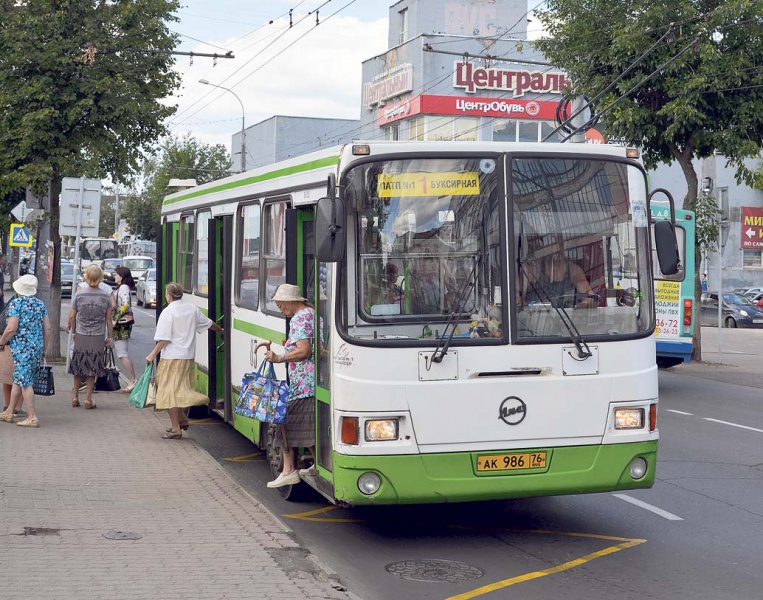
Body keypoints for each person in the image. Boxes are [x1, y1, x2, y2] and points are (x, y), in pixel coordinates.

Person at [145, 282, 224, 439]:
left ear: (168, 296)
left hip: (171, 358)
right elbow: (208, 323)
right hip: (187, 357)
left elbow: (164, 339)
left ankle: (176, 428)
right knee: (179, 390)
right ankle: (181, 420)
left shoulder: (168, 313)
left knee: (168, 393)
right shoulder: (192, 309)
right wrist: (221, 330)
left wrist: (152, 354)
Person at [264, 283, 316, 489]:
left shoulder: (299, 319)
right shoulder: (312, 314)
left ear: (291, 301)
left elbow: (305, 351)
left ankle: (289, 471)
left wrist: (279, 357)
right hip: (310, 382)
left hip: (303, 384)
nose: (279, 308)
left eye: (280, 304)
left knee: (283, 421)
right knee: (307, 430)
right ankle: (318, 465)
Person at [0, 275, 51, 427]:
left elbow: (11, 328)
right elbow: (47, 328)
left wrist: (1, 341)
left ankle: (32, 416)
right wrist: (44, 349)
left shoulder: (16, 304)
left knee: (26, 383)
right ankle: (9, 411)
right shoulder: (40, 304)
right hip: (36, 347)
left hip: (21, 349)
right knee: (19, 378)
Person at [67, 265, 114, 409]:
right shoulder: (105, 297)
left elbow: (73, 316)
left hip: (81, 334)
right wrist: (110, 337)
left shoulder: (79, 295)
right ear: (100, 278)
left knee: (78, 366)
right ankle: (88, 398)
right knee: (93, 367)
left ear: (86, 277)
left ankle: (75, 397)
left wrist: (74, 332)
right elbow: (108, 319)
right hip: (98, 335)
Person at [521, 238, 596, 308]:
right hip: (536, 318)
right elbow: (516, 296)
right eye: (554, 247)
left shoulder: (573, 270)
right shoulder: (534, 270)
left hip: (566, 320)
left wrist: (584, 304)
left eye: (560, 246)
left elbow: (589, 295)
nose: (557, 251)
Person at [112, 266, 138, 391]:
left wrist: (115, 319)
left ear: (122, 276)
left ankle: (133, 380)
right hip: (121, 324)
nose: (114, 276)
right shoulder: (122, 287)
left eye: (116, 274)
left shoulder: (123, 287)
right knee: (121, 352)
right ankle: (133, 380)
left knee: (122, 353)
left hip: (121, 324)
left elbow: (125, 305)